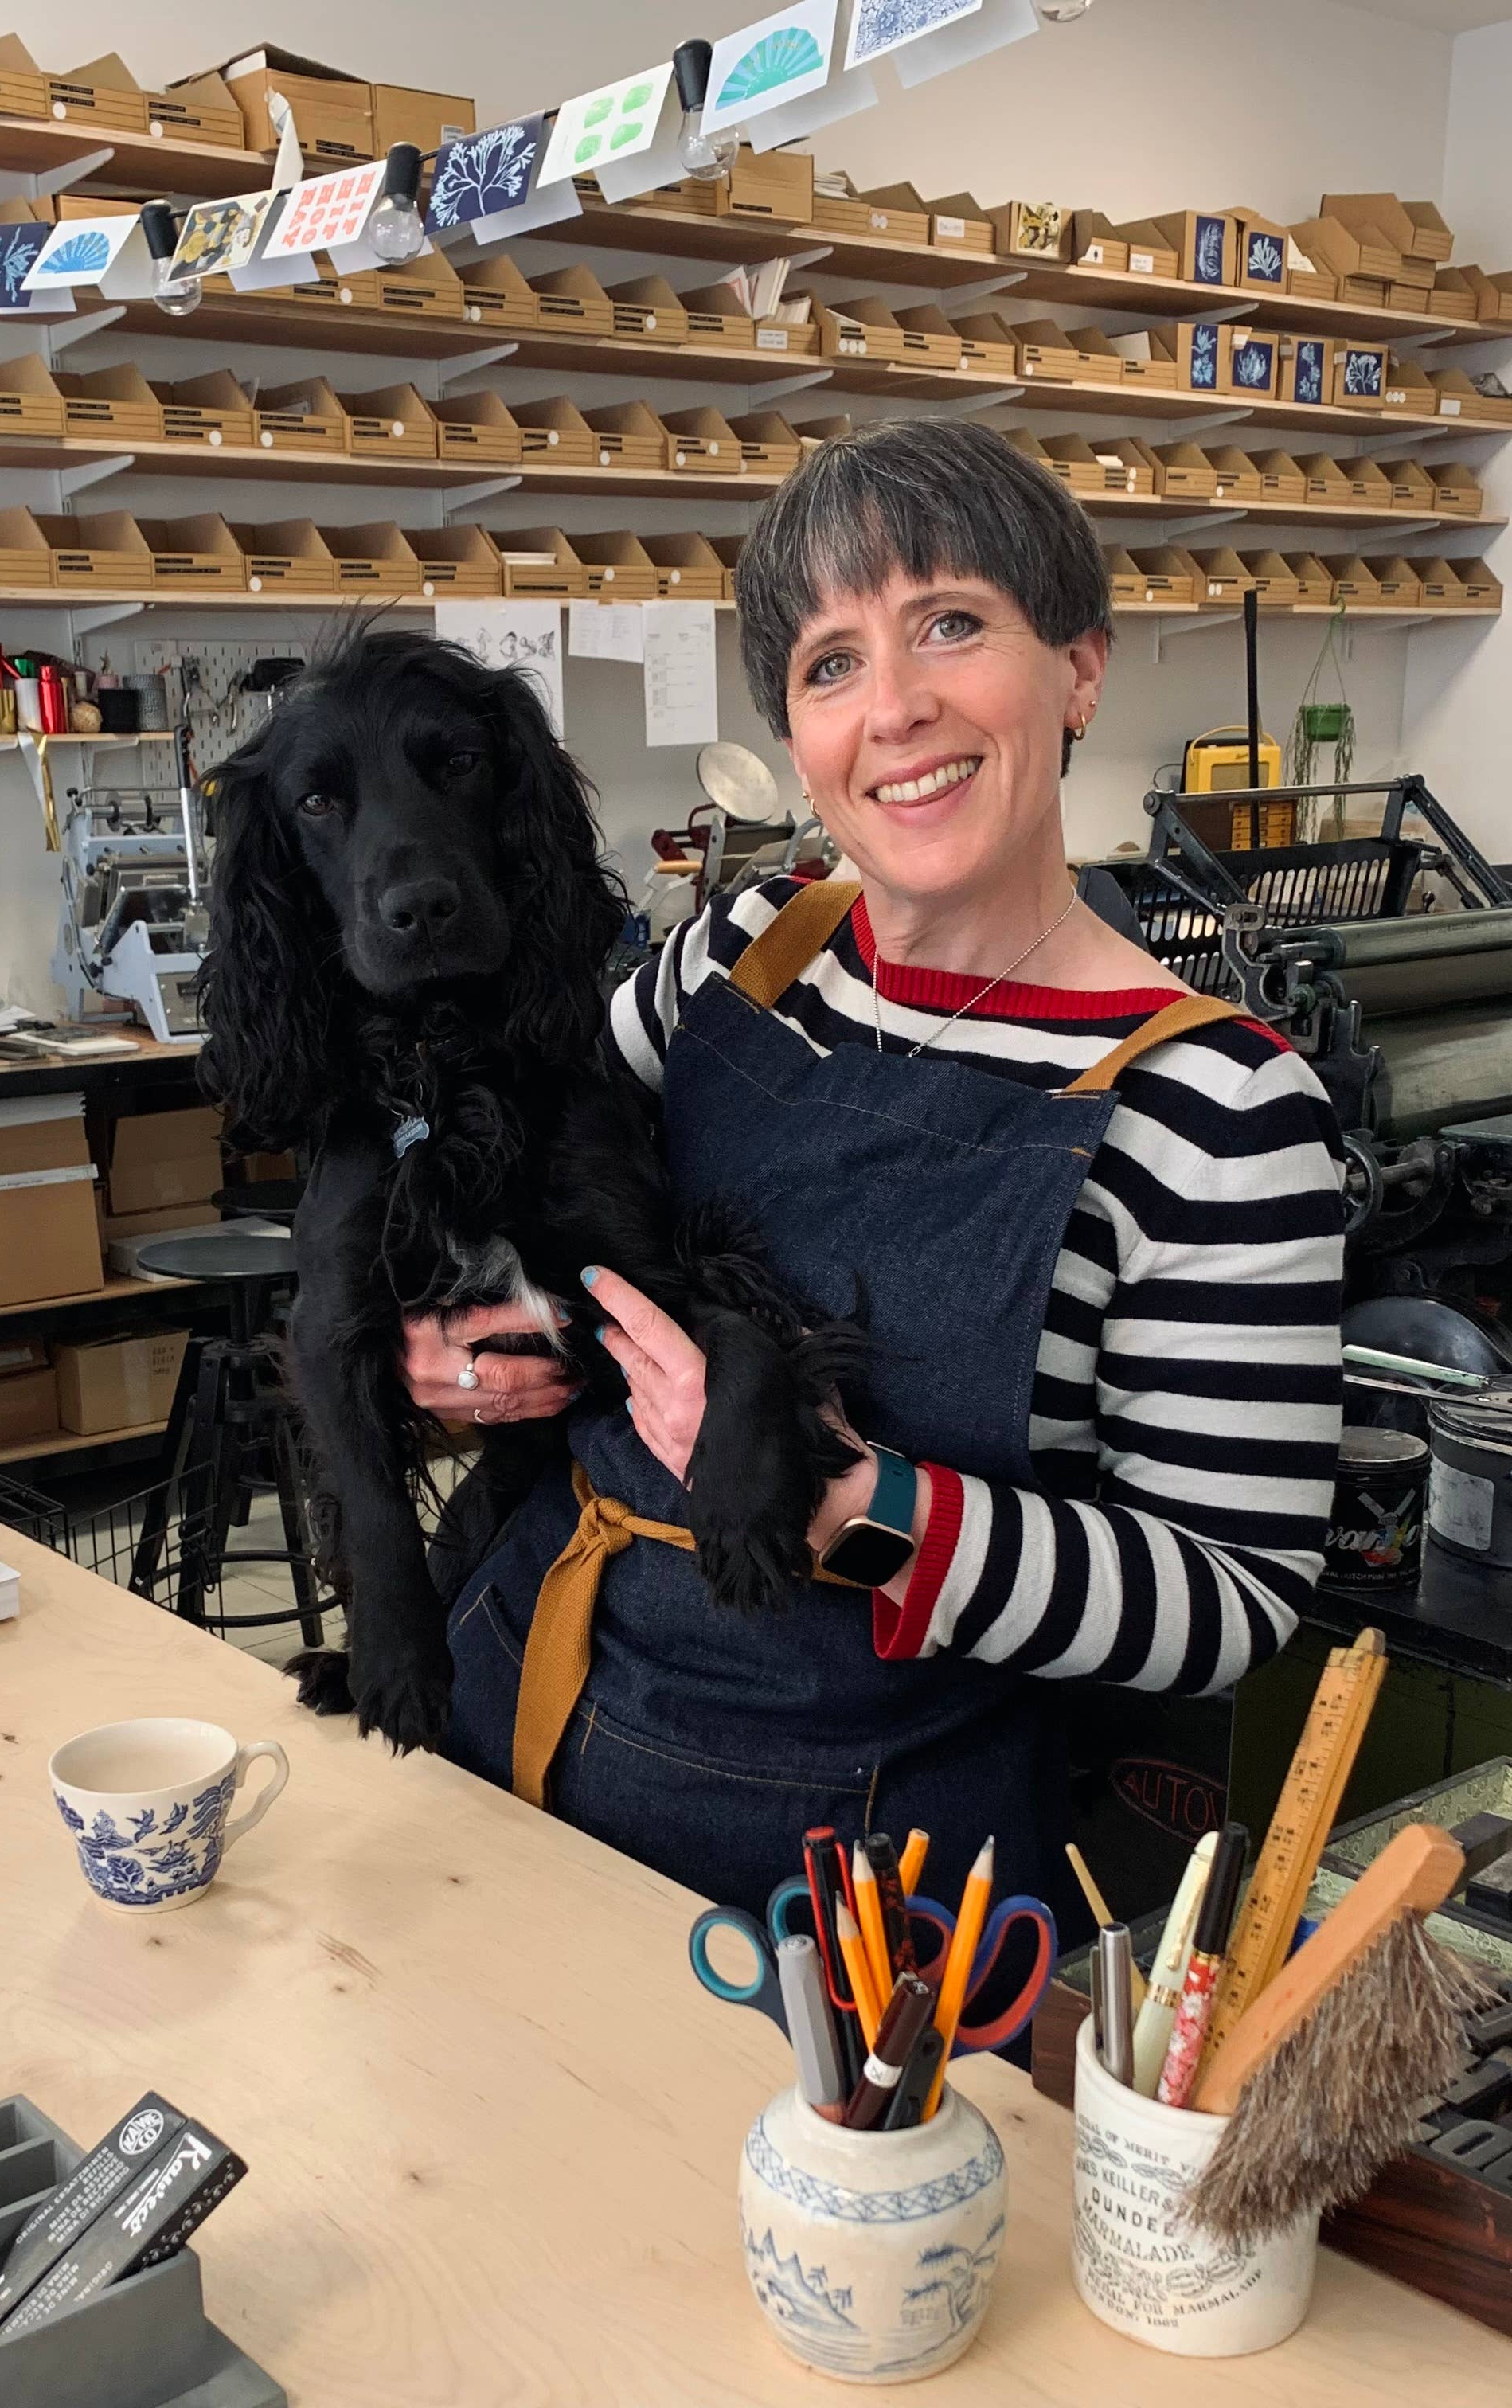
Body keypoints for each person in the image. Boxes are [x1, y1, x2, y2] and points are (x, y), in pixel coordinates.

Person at [419, 417, 1345, 1933]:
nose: (897, 710)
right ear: (797, 734)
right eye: (832, 664)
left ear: (1081, 668)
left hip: (860, 1876)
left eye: (953, 627)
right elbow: (520, 1181)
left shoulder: (1217, 1105)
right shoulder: (742, 950)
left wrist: (855, 1502)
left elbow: (1227, 1599)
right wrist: (457, 1342)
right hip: (515, 1714)